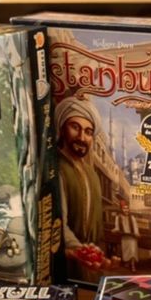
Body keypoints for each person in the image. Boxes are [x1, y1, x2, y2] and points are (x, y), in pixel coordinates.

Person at [56, 97, 104, 253]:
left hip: (90, 255)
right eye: (75, 127)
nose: (82, 138)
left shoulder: (92, 174)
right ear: (62, 129)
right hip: (65, 256)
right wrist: (79, 250)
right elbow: (58, 224)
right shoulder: (55, 168)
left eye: (88, 132)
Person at [112, 199, 141, 272]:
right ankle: (128, 262)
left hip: (132, 237)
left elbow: (135, 227)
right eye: (124, 208)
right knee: (127, 252)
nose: (126, 210)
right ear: (121, 209)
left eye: (127, 208)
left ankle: (133, 265)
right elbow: (117, 227)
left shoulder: (132, 217)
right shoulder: (118, 218)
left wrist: (136, 233)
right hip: (125, 237)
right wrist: (114, 230)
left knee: (132, 250)